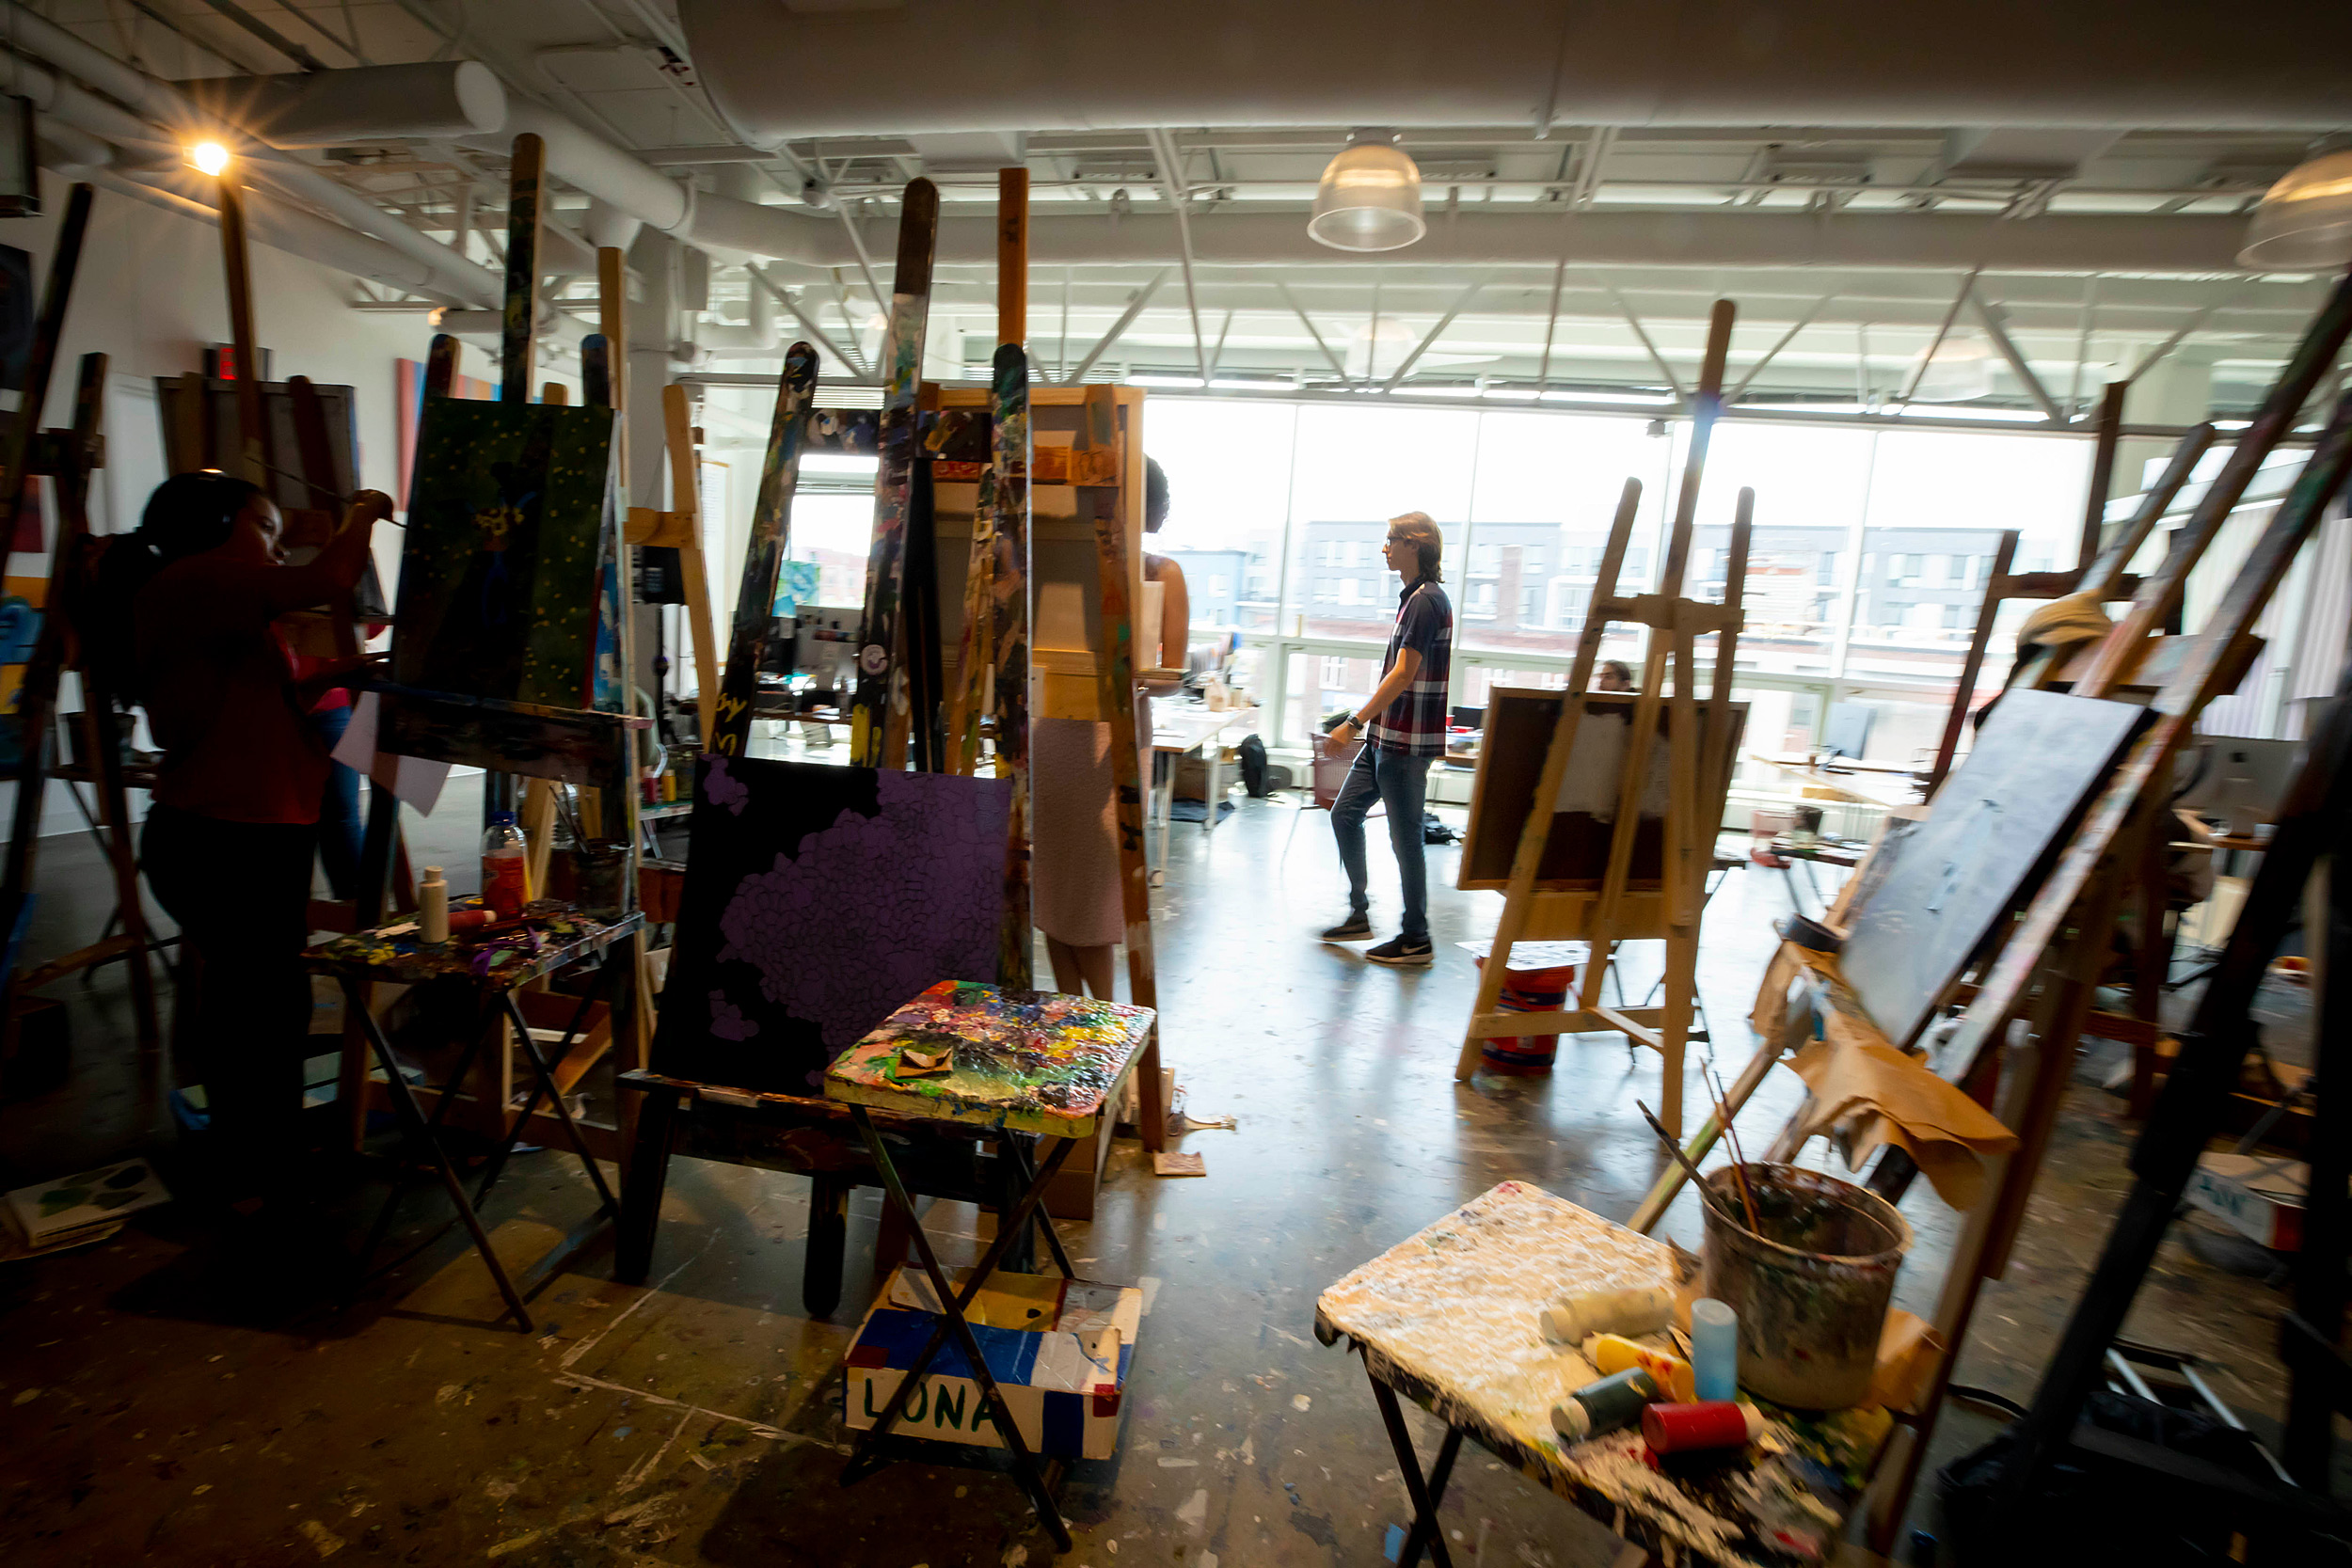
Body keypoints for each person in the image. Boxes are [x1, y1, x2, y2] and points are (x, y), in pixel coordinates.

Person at [100, 472, 389, 1200]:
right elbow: (333, 576)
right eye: (264, 527)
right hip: (226, 833)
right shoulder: (198, 579)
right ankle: (257, 1157)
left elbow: (264, 687)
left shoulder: (208, 594)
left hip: (244, 829)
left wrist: (345, 671)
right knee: (256, 1002)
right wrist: (363, 514)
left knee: (261, 996)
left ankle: (260, 1147)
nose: (273, 544)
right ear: (221, 524)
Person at [1031, 457, 1185, 998]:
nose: (1163, 513)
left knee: (1094, 894)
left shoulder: (1162, 571)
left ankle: (1103, 1026)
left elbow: (1171, 674)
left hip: (1113, 731)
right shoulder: (1056, 561)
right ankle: (1073, 1018)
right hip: (1056, 727)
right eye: (1162, 502)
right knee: (1054, 887)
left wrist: (1137, 679)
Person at [1322, 512, 1453, 965]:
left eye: (1391, 540)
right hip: (1387, 737)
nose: (1385, 548)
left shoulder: (1425, 601)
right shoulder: (1415, 598)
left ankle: (1416, 937)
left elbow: (1404, 672)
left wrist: (1352, 722)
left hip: (1404, 744)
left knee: (1406, 839)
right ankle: (1359, 913)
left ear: (1414, 545)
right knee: (1344, 814)